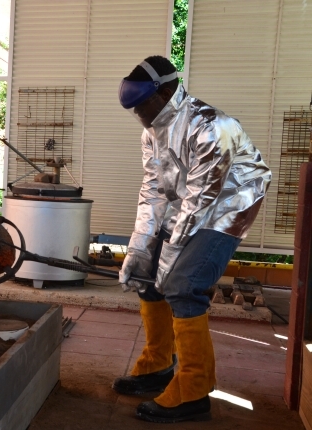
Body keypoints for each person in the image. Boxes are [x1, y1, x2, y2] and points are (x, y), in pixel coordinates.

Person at [114, 55, 271, 423]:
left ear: (166, 91)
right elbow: (153, 189)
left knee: (183, 285)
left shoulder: (213, 127)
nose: (139, 115)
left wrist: (168, 262)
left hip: (231, 202)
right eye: (134, 110)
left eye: (143, 106)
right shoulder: (152, 129)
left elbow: (203, 199)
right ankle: (157, 364)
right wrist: (139, 248)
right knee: (148, 272)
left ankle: (194, 391)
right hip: (191, 201)